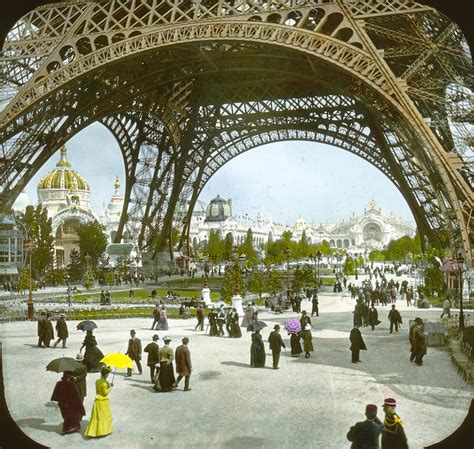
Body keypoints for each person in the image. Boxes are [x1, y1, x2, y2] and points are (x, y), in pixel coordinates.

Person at [51, 371, 85, 435]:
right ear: (69, 377)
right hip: (71, 405)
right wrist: (80, 406)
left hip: (63, 404)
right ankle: (73, 427)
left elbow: (55, 395)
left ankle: (66, 428)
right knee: (73, 416)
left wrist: (59, 402)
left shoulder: (58, 383)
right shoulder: (72, 384)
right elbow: (77, 396)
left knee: (66, 417)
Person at [84, 366, 114, 438]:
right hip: (103, 401)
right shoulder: (104, 383)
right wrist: (110, 387)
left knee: (97, 416)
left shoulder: (97, 381)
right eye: (108, 374)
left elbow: (97, 391)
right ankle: (103, 431)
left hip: (97, 399)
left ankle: (95, 431)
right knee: (104, 415)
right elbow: (105, 393)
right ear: (106, 374)